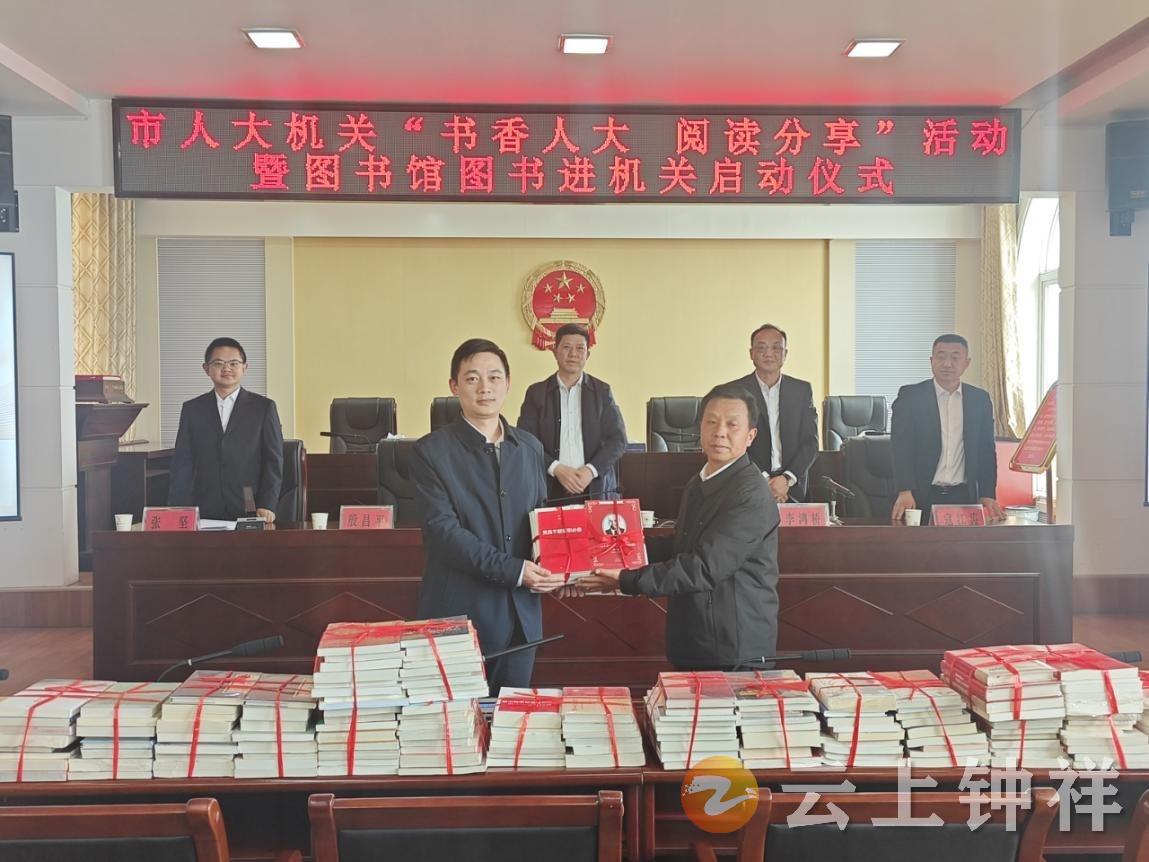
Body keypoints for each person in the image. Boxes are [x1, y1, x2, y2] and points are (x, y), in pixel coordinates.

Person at [578, 383, 780, 671]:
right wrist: (616, 549)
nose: (719, 432)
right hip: (696, 637)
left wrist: (625, 579)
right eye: (711, 421)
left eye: (732, 424)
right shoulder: (700, 481)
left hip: (733, 646)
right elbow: (681, 545)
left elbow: (704, 567)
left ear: (750, 436)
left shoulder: (749, 493)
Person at [411, 337, 565, 693]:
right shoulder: (430, 452)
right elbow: (443, 534)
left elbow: (540, 522)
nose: (485, 388)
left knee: (512, 721)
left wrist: (564, 568)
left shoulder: (530, 448)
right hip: (460, 619)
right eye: (472, 378)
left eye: (494, 377)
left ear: (508, 383)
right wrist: (515, 571)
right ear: (454, 386)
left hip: (522, 621)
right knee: (460, 722)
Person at [891, 334, 1005, 524]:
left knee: (962, 544)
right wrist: (904, 490)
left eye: (955, 357)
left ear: (966, 363)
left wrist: (987, 493)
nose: (947, 363)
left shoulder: (979, 399)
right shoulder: (911, 396)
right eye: (941, 356)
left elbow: (985, 450)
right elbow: (900, 447)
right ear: (931, 360)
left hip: (963, 496)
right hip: (919, 496)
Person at [169, 337, 283, 522]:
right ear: (206, 369)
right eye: (218, 363)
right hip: (204, 504)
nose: (226, 368)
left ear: (245, 368)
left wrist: (267, 504)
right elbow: (183, 462)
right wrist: (177, 508)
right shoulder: (192, 409)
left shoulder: (263, 408)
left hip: (248, 503)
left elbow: (273, 461)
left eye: (233, 363)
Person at [516, 323, 627, 502]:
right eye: (567, 347)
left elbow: (618, 440)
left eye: (580, 348)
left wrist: (590, 471)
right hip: (548, 489)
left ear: (587, 355)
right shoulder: (537, 393)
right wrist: (556, 468)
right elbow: (525, 440)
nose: (573, 354)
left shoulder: (602, 391)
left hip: (594, 489)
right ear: (555, 352)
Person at [727, 323, 819, 503]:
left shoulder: (801, 390)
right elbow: (735, 443)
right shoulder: (736, 391)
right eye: (762, 348)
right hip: (749, 485)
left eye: (776, 348)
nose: (769, 353)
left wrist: (787, 479)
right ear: (751, 353)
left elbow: (811, 442)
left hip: (792, 488)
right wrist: (765, 480)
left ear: (785, 353)